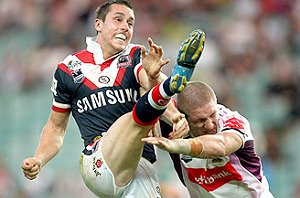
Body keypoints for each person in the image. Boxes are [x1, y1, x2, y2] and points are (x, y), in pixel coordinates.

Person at [21, 0, 206, 197]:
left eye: (130, 23)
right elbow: (56, 127)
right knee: (137, 117)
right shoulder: (69, 68)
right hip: (98, 162)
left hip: (140, 168)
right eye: (118, 19)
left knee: (150, 91)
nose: (125, 27)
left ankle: (169, 85)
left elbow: (148, 84)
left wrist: (175, 114)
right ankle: (172, 83)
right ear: (98, 24)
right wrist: (39, 159)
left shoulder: (136, 55)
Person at [143, 81, 274, 198]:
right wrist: (153, 73)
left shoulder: (233, 121)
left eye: (212, 115)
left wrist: (179, 146)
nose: (210, 125)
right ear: (185, 117)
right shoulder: (175, 123)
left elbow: (222, 146)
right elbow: (156, 91)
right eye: (200, 121)